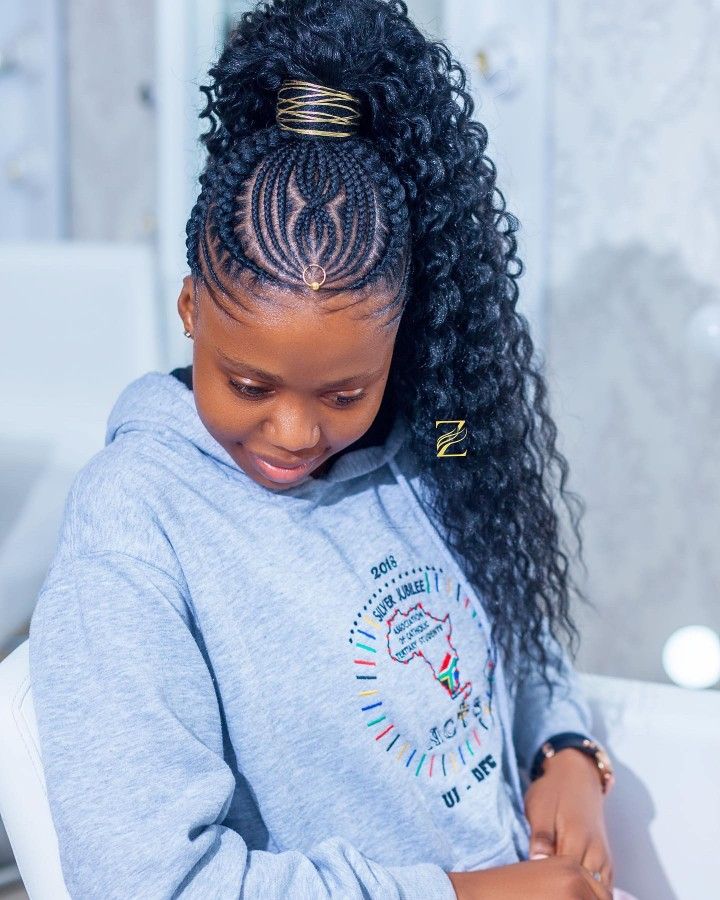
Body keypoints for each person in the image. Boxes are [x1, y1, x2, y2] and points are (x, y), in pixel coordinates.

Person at [28, 2, 640, 898]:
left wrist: (563, 746)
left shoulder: (436, 440)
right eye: (249, 385)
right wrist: (467, 895)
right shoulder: (135, 528)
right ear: (191, 308)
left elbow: (505, 598)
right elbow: (151, 884)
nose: (294, 433)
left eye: (346, 394)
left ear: (398, 343)